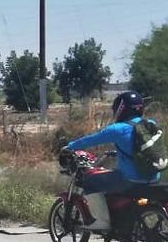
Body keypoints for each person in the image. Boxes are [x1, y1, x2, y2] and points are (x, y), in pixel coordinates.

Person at [62, 91, 161, 230]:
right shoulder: (151, 124)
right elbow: (142, 148)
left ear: (121, 109)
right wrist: (119, 153)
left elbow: (92, 139)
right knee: (111, 177)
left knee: (89, 181)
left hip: (130, 180)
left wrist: (70, 146)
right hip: (154, 177)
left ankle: (101, 221)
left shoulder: (118, 129)